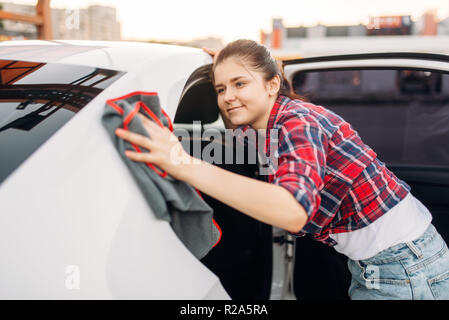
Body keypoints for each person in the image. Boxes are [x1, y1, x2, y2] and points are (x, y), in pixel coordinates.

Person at [115, 39, 449, 300]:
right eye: (220, 89)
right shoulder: (265, 127)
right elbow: (230, 131)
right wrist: (224, 66)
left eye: (240, 84)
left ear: (273, 84)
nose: (228, 97)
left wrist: (181, 162)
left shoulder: (297, 123)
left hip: (405, 268)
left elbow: (293, 212)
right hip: (389, 260)